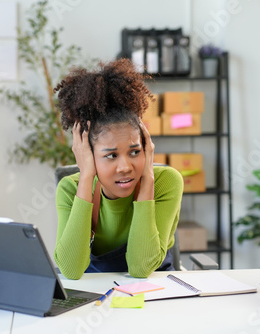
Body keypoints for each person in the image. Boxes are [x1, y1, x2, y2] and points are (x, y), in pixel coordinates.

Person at [53, 58, 184, 280]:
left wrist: (148, 181)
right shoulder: (70, 189)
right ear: (89, 155)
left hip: (157, 293)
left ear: (146, 147)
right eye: (111, 156)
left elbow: (141, 269)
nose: (125, 167)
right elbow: (71, 270)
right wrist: (86, 176)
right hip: (94, 296)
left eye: (134, 152)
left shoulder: (166, 182)